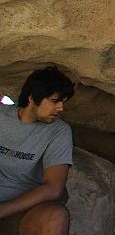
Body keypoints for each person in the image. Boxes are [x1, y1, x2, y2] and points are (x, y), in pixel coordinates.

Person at [0, 66, 75, 235]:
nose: (61, 108)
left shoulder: (59, 132)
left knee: (55, 216)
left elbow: (54, 188)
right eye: (55, 101)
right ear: (33, 98)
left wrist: (3, 210)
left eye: (63, 102)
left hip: (20, 212)